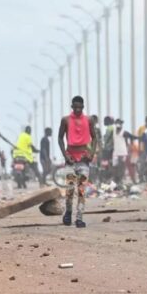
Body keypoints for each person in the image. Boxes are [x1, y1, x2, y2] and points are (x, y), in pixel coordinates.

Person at [58, 96, 97, 228]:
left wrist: (92, 153)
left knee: (81, 190)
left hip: (84, 160)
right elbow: (60, 138)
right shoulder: (66, 120)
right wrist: (65, 155)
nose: (78, 109)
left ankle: (79, 218)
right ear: (72, 107)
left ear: (83, 107)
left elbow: (95, 137)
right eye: (75, 107)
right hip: (70, 159)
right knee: (69, 189)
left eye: (80, 107)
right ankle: (68, 212)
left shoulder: (89, 120)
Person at [112, 119, 138, 185]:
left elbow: (132, 137)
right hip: (119, 152)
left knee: (121, 167)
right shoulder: (121, 132)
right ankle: (118, 181)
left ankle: (119, 180)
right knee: (119, 167)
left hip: (121, 152)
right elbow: (132, 137)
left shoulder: (118, 132)